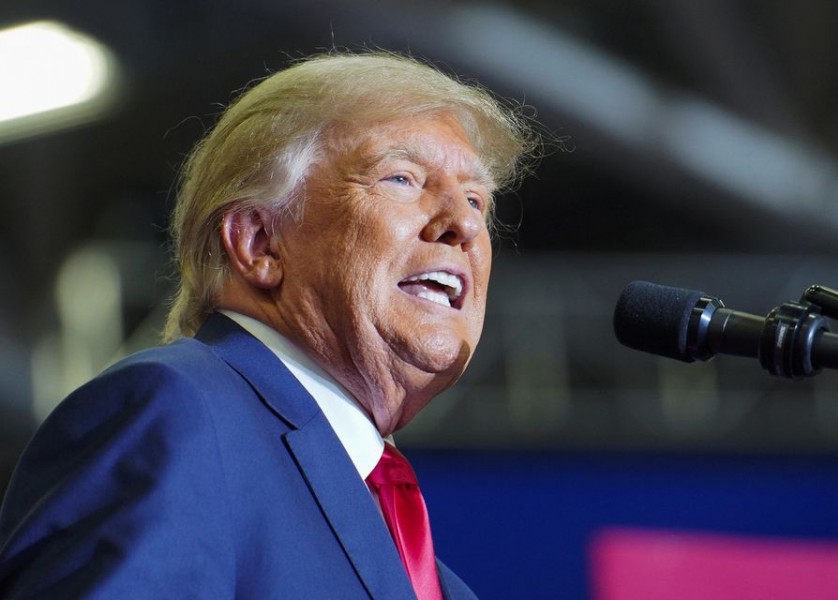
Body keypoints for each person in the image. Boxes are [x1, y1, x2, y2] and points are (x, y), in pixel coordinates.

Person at [0, 51, 536, 598]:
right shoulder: (174, 410)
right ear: (259, 243)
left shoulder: (442, 584)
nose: (465, 222)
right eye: (401, 178)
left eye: (476, 199)